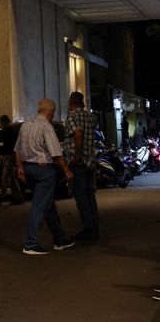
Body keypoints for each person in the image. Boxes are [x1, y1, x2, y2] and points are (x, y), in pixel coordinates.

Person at [15, 99, 75, 255]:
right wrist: (66, 170)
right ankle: (30, 243)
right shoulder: (47, 127)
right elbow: (56, 153)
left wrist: (21, 167)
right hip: (44, 171)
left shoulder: (26, 125)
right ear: (50, 111)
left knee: (47, 205)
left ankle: (60, 239)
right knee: (40, 206)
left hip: (29, 169)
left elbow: (17, 149)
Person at [64, 92, 99, 242]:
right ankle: (94, 228)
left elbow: (78, 133)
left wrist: (77, 155)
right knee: (90, 196)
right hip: (91, 162)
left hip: (79, 163)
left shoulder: (72, 116)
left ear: (71, 102)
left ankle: (89, 230)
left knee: (81, 197)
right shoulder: (90, 117)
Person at [0, 114, 21, 202]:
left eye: (4, 122)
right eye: (1, 122)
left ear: (7, 122)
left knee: (5, 177)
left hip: (10, 156)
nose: (3, 124)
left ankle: (1, 196)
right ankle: (18, 198)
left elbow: (18, 146)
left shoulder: (13, 132)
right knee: (11, 178)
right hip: (2, 157)